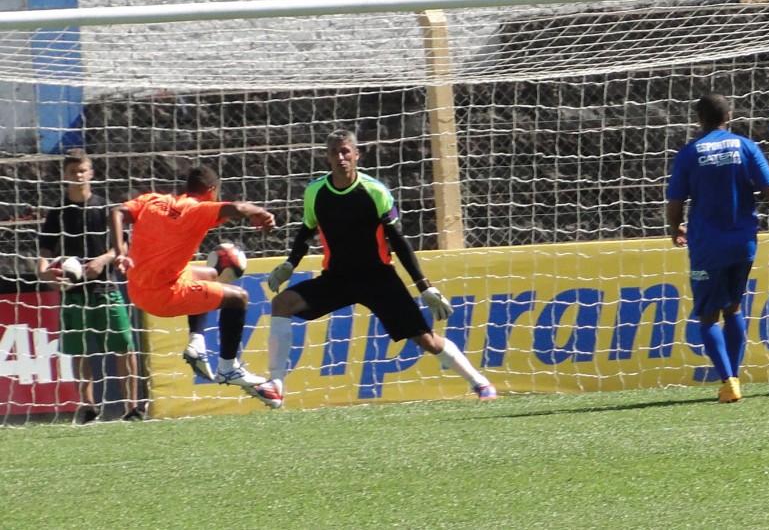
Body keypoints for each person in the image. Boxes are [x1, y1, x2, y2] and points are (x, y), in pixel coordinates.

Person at [252, 129, 497, 409]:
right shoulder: (315, 192)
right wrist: (289, 263)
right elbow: (307, 229)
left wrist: (424, 286)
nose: (340, 157)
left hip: (378, 279)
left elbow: (399, 242)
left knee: (426, 339)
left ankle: (480, 383)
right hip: (337, 278)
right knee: (282, 303)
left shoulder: (375, 191)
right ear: (327, 157)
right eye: (334, 152)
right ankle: (276, 387)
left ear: (356, 154)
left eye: (345, 151)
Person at [666, 93, 769, 403]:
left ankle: (728, 380)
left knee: (707, 316)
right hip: (743, 243)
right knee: (734, 308)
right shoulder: (746, 147)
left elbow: (675, 203)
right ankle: (735, 376)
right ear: (728, 116)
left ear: (699, 119)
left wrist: (674, 228)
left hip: (707, 245)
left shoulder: (689, 153)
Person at [109, 165, 276, 402]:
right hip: (163, 295)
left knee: (210, 275)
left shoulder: (153, 200)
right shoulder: (200, 210)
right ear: (211, 191)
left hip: (136, 287)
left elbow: (116, 211)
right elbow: (237, 208)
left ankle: (197, 342)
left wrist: (119, 252)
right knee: (239, 298)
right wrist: (260, 212)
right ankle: (229, 367)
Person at [36, 150, 143, 423]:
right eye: (73, 172)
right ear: (65, 176)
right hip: (73, 294)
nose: (78, 175)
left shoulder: (107, 209)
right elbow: (44, 256)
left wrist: (102, 260)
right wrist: (46, 273)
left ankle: (132, 408)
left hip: (105, 287)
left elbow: (123, 245)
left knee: (125, 346)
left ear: (91, 173)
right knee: (78, 350)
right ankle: (89, 408)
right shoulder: (56, 214)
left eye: (83, 170)